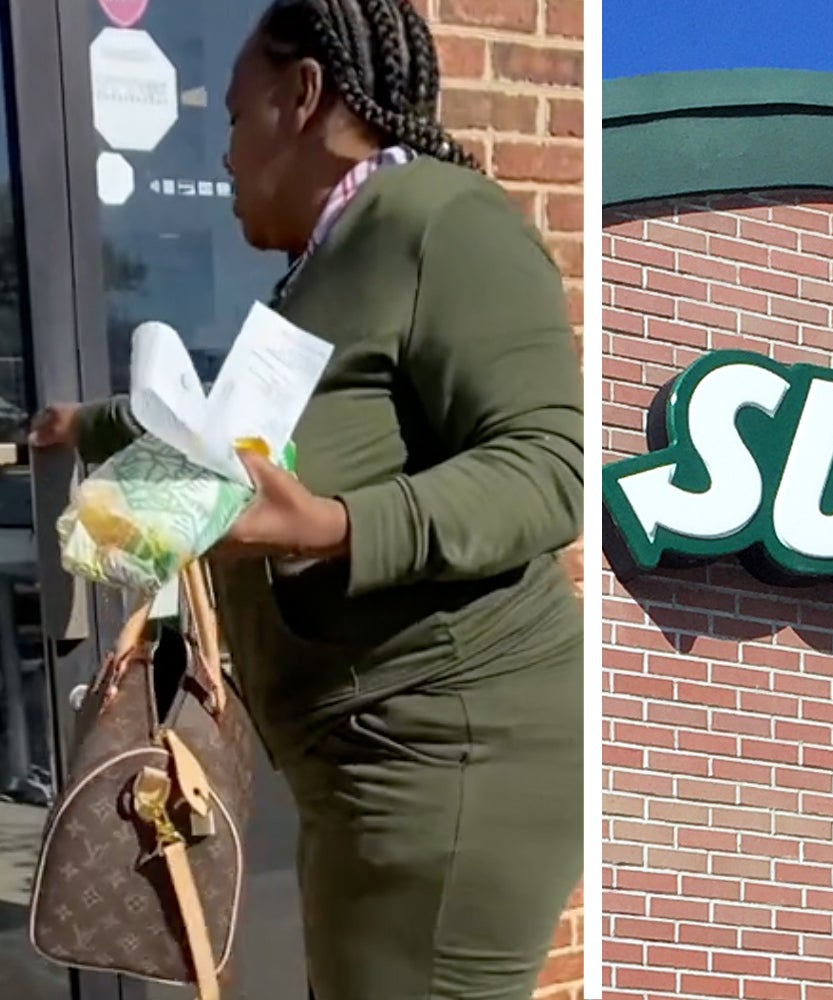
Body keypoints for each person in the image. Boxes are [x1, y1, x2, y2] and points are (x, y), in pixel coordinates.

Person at [30, 1, 583, 997]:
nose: (229, 155)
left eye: (236, 118)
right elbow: (216, 434)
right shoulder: (316, 274)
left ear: (303, 96)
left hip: (446, 760)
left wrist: (329, 527)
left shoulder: (444, 224)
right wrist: (84, 424)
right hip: (358, 757)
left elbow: (547, 471)